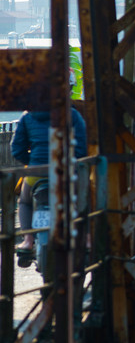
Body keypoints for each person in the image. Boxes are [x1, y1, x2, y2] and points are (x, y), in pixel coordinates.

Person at [10, 108, 87, 252]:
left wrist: (33, 162)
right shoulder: (72, 114)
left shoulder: (27, 117)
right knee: (81, 198)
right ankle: (86, 239)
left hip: (37, 173)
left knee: (25, 202)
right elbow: (82, 148)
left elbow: (17, 149)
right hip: (65, 172)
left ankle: (28, 240)